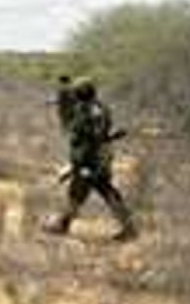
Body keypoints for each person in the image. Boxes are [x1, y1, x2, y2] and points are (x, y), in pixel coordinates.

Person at [43, 78, 136, 242]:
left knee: (78, 192)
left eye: (76, 92)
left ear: (81, 94)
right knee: (106, 191)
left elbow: (91, 139)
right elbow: (101, 134)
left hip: (90, 159)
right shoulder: (99, 108)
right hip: (100, 157)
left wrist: (79, 164)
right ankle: (129, 227)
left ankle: (62, 224)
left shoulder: (88, 112)